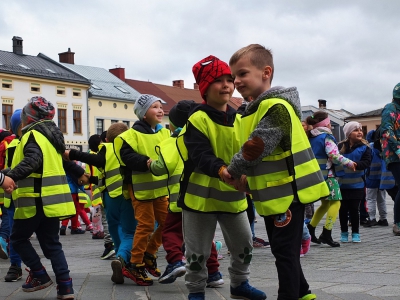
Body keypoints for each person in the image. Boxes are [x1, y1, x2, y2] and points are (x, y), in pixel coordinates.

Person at [225, 44, 329, 300]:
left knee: (284, 253)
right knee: (284, 252)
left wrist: (232, 171)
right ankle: (303, 292)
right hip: (275, 196)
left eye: (242, 74)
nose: (236, 81)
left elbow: (256, 146)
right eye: (233, 76)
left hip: (287, 195)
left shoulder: (275, 108)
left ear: (266, 72)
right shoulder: (255, 109)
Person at [177, 55, 266, 300]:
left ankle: (239, 283)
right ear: (205, 88)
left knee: (244, 245)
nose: (227, 84)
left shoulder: (241, 118)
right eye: (218, 80)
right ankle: (196, 291)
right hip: (199, 199)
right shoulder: (197, 118)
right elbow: (200, 154)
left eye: (230, 79)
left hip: (234, 197)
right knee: (198, 252)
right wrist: (222, 171)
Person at [7, 96, 76, 299]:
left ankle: (39, 274)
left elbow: (33, 161)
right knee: (53, 245)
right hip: (51, 201)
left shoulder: (32, 135)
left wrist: (10, 176)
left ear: (27, 119)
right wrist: (6, 173)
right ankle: (66, 287)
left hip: (33, 199)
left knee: (18, 239)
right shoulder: (51, 139)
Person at [149, 100, 223, 287]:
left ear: (173, 123)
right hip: (203, 199)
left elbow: (161, 167)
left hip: (179, 199)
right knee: (205, 237)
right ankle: (214, 273)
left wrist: (150, 164)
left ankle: (175, 261)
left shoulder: (172, 142)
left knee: (171, 231)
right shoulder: (205, 137)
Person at [114, 94, 170, 286]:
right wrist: (146, 162)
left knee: (168, 224)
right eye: (154, 107)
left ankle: (149, 254)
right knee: (145, 225)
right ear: (143, 114)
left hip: (161, 189)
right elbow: (127, 156)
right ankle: (135, 264)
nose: (160, 110)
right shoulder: (130, 135)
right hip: (141, 189)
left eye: (160, 106)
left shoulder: (165, 133)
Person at [305, 111, 356, 247]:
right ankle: (326, 233)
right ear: (326, 123)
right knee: (336, 202)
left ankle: (310, 230)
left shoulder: (311, 137)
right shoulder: (326, 137)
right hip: (328, 176)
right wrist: (349, 163)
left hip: (317, 175)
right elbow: (333, 155)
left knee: (325, 204)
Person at [337, 121, 372, 243]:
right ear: (348, 133)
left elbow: (367, 162)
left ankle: (356, 233)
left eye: (360, 130)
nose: (359, 132)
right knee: (342, 210)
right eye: (356, 130)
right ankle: (344, 232)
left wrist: (357, 165)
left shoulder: (365, 148)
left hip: (357, 185)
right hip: (342, 185)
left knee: (354, 210)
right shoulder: (340, 146)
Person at [381, 82, 400, 235]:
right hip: (395, 155)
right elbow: (387, 131)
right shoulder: (390, 108)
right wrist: (398, 150)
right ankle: (398, 223)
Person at [363, 129, 392, 227]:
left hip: (371, 177)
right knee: (382, 199)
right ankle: (383, 219)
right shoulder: (385, 147)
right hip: (382, 178)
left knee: (370, 199)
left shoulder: (370, 147)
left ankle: (372, 218)